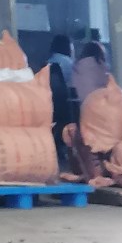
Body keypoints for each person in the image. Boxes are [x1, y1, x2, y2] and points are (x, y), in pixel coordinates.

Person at [47, 34, 76, 167]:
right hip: (65, 105)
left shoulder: (48, 62)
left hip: (50, 105)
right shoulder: (68, 63)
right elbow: (75, 85)